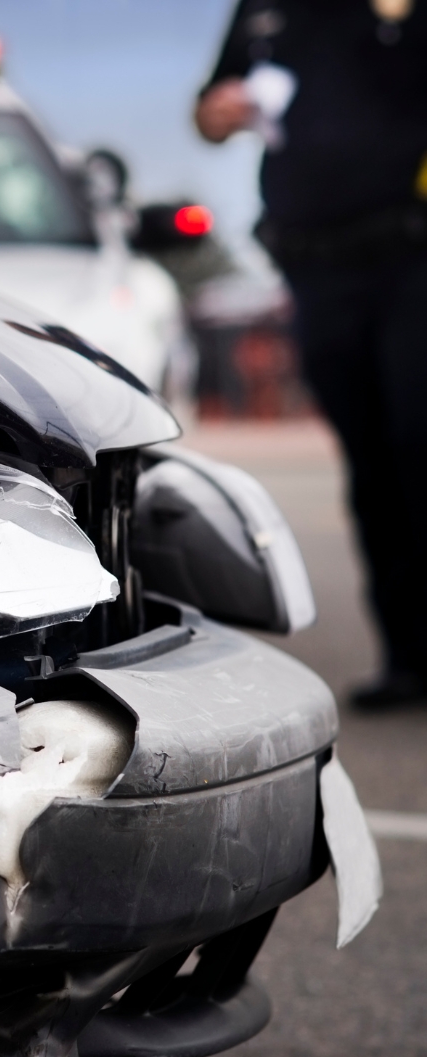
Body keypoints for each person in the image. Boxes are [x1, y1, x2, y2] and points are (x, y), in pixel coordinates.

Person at [197, 0, 427, 709]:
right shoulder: (272, 8)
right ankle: (409, 657)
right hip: (317, 266)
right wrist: (224, 110)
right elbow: (207, 115)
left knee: (420, 437)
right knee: (371, 461)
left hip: (415, 255)